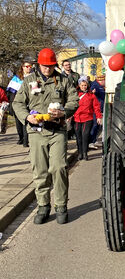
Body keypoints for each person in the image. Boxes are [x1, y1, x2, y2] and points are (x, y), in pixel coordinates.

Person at [13, 48, 79, 224]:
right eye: (44, 66)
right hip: (36, 132)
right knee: (40, 170)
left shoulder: (63, 81)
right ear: (38, 64)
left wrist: (64, 112)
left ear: (54, 65)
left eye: (50, 66)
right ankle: (43, 206)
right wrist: (27, 117)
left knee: (58, 168)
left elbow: (74, 100)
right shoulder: (29, 81)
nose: (47, 69)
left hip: (57, 130)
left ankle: (61, 206)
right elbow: (18, 103)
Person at [74, 76, 102, 160]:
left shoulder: (91, 95)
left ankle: (85, 153)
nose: (83, 87)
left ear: (87, 85)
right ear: (79, 85)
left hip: (87, 118)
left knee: (85, 135)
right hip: (77, 118)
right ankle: (80, 153)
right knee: (78, 137)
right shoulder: (76, 95)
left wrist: (98, 117)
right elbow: (72, 106)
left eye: (85, 85)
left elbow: (96, 107)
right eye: (82, 85)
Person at [6, 62, 33, 146]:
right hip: (18, 102)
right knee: (18, 122)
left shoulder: (34, 77)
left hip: (29, 102)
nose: (29, 68)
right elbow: (10, 92)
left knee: (26, 120)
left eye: (30, 66)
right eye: (27, 66)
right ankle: (21, 138)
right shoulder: (17, 78)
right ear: (23, 67)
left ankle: (26, 140)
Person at [89, 73, 106, 147]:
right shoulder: (95, 85)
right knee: (95, 124)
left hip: (100, 109)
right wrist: (93, 92)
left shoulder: (101, 86)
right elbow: (92, 92)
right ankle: (90, 142)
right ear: (101, 80)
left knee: (98, 125)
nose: (105, 81)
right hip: (95, 109)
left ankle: (94, 140)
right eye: (104, 80)